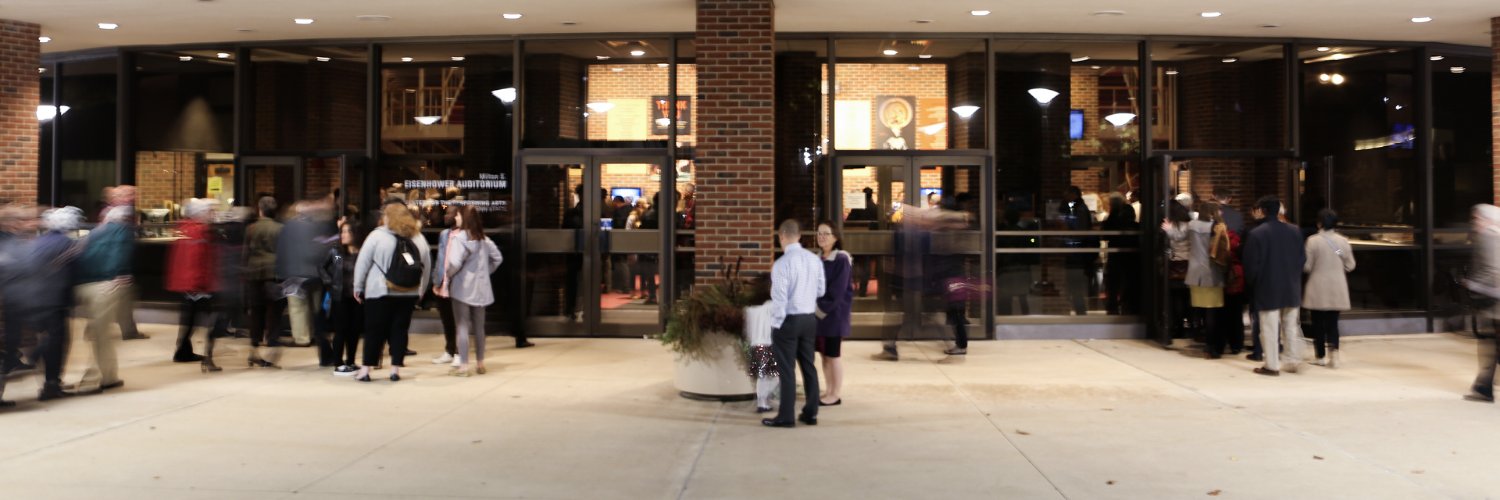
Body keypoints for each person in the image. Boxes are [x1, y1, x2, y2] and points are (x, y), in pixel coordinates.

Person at [9, 207, 84, 401]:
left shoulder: (38, 242)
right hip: (54, 300)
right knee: (57, 342)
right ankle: (50, 382)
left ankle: (48, 379)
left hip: (32, 299)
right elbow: (75, 272)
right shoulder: (68, 244)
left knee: (49, 339)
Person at [353, 201, 431, 382]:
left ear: (387, 217)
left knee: (374, 330)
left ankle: (366, 370)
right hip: (408, 293)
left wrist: (358, 286)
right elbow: (426, 266)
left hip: (379, 291)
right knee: (399, 330)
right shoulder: (418, 238)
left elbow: (362, 263)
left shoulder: (377, 236)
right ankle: (395, 369)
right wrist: (421, 289)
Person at [763, 219, 825, 428]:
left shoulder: (781, 264)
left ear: (781, 236)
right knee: (809, 366)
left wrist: (776, 323)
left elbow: (779, 298)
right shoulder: (814, 260)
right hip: (809, 319)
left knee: (787, 370)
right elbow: (821, 290)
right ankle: (811, 413)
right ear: (799, 236)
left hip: (788, 320)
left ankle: (786, 416)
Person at [69, 205, 134, 393]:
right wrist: (116, 275)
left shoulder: (94, 232)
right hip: (105, 286)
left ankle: (102, 375)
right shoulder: (122, 231)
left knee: (96, 331)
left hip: (83, 286)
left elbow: (79, 255)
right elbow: (119, 254)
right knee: (102, 334)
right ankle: (103, 377)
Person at [1243, 196, 1307, 376]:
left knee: (1269, 328)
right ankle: (1292, 360)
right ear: (1279, 210)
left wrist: (1252, 286)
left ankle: (1272, 365)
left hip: (1267, 287)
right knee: (1290, 326)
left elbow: (1251, 266)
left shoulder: (1257, 234)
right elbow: (1302, 259)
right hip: (1291, 286)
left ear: (1262, 211)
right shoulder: (1295, 231)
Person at [439, 205, 503, 377]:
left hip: (462, 289)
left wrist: (448, 276)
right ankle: (480, 364)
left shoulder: (460, 239)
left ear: (465, 218)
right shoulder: (485, 240)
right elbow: (498, 258)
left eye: (459, 215)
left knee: (462, 326)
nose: (456, 218)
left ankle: (464, 367)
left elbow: (454, 264)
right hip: (482, 289)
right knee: (479, 328)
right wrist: (485, 272)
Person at [276, 199, 337, 362]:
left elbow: (281, 250)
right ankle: (316, 333)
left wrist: (281, 272)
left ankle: (302, 338)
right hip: (315, 273)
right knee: (316, 307)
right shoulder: (316, 226)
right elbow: (323, 248)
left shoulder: (287, 227)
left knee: (297, 307)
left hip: (294, 274)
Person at [166, 199, 222, 372]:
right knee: (208, 318)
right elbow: (198, 260)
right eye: (210, 210)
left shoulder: (185, 228)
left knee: (189, 318)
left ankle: (183, 350)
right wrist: (201, 284)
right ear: (202, 212)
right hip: (198, 284)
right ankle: (196, 353)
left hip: (187, 282)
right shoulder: (200, 231)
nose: (213, 214)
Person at [1304, 209, 1356, 368]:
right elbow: (1351, 264)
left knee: (1317, 323)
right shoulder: (1343, 241)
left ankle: (1320, 356)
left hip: (1317, 285)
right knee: (1333, 323)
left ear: (1319, 223)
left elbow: (1307, 266)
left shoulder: (1313, 241)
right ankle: (1335, 356)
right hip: (1337, 285)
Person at [1182, 202, 1228, 357]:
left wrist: (1168, 229)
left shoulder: (1192, 225)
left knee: (1198, 308)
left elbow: (1178, 236)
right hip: (1212, 273)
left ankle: (1200, 336)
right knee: (1212, 311)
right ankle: (1211, 343)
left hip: (1195, 272)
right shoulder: (1218, 227)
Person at [321, 219, 366, 376]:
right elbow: (323, 267)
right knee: (341, 330)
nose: (344, 235)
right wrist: (330, 283)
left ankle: (351, 361)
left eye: (348, 231)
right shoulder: (338, 253)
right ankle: (338, 363)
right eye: (343, 231)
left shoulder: (362, 252)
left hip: (357, 297)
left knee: (354, 331)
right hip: (340, 296)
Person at [813, 222, 851, 406]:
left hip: (833, 316)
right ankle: (828, 390)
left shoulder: (841, 259)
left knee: (833, 355)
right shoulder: (818, 258)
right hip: (819, 317)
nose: (822, 237)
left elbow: (837, 292)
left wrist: (819, 311)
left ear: (835, 237)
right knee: (824, 355)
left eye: (826, 234)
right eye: (819, 233)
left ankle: (835, 394)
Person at [1465, 204, 1500, 402]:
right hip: (1494, 299)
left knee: (1487, 344)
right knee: (1490, 344)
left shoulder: (1489, 236)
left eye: (1477, 217)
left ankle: (1483, 388)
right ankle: (1484, 386)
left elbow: (1492, 269)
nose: (1474, 221)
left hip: (1493, 301)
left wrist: (1474, 285)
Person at [244, 197, 284, 368]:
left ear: (260, 210)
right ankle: (272, 349)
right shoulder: (281, 229)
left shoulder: (250, 228)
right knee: (274, 314)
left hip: (254, 274)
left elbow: (245, 252)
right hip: (274, 274)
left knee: (257, 313)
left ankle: (253, 349)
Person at [742, 276, 780, 413]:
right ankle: (764, 399)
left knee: (762, 376)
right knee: (775, 376)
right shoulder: (772, 306)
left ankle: (762, 402)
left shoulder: (750, 308)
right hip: (768, 344)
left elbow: (748, 329)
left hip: (755, 345)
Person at [1101, 193, 1139, 315]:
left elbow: (1104, 234)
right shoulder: (1132, 220)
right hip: (1131, 256)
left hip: (1116, 255)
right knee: (1128, 283)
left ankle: (1112, 308)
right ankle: (1127, 307)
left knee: (1113, 284)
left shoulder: (1112, 218)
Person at [431, 210, 460, 365]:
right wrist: (436, 281)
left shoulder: (466, 235)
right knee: (447, 319)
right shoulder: (444, 234)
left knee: (459, 320)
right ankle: (449, 350)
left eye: (450, 213)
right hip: (443, 283)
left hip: (458, 284)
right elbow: (440, 259)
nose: (445, 216)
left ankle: (459, 352)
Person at [1162, 201, 1193, 343]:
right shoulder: (1190, 224)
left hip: (1177, 263)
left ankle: (1178, 326)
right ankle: (1188, 325)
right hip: (1189, 263)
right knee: (1186, 296)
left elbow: (1176, 238)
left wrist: (1168, 230)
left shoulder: (1173, 226)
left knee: (1176, 297)